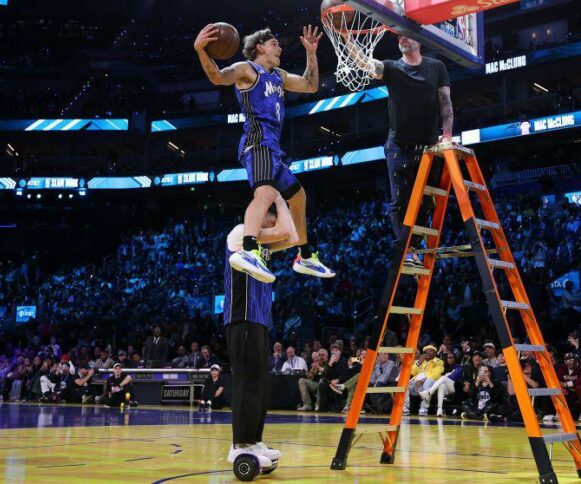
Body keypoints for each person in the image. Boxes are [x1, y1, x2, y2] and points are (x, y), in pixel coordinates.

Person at [194, 24, 334, 283]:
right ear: (260, 47)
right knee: (266, 193)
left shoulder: (279, 75)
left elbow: (311, 85)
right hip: (257, 143)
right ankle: (248, 249)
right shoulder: (247, 69)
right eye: (274, 44)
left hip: (274, 149)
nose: (279, 48)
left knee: (299, 196)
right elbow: (217, 76)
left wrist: (311, 53)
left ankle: (304, 255)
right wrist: (201, 49)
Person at [343, 31, 453, 266]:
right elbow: (364, 62)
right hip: (398, 146)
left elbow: (445, 103)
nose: (401, 39)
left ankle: (417, 243)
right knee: (400, 200)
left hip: (429, 146)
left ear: (419, 40)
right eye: (399, 37)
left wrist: (447, 135)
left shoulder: (436, 67)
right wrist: (347, 39)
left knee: (427, 200)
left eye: (407, 36)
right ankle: (409, 250)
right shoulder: (392, 67)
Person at [222, 195, 296, 468]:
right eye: (271, 215)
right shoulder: (241, 232)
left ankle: (253, 440)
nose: (275, 220)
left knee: (260, 385)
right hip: (242, 318)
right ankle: (240, 444)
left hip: (259, 320)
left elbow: (293, 236)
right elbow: (286, 231)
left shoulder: (261, 242)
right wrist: (276, 197)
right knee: (246, 382)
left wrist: (280, 205)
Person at [419, 352, 464, 417]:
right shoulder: (445, 368)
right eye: (449, 357)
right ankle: (439, 409)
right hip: (447, 388)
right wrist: (446, 375)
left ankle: (429, 392)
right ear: (446, 359)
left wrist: (446, 376)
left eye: (453, 357)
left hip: (455, 386)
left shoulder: (458, 366)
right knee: (441, 386)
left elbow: (455, 376)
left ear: (455, 358)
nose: (451, 359)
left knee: (443, 378)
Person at [404, 345, 444, 415]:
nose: (428, 352)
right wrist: (419, 362)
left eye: (430, 351)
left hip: (430, 384)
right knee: (405, 383)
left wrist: (423, 380)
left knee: (428, 382)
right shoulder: (419, 361)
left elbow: (436, 374)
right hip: (417, 384)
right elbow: (412, 372)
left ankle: (424, 408)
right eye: (426, 351)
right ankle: (405, 408)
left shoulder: (438, 361)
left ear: (435, 354)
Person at [555, 352, 581, 422]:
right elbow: (556, 379)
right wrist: (568, 385)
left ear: (575, 360)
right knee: (558, 389)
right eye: (566, 360)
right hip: (568, 391)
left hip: (580, 392)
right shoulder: (562, 367)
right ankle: (560, 411)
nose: (568, 362)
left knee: (579, 387)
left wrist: (565, 384)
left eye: (570, 360)